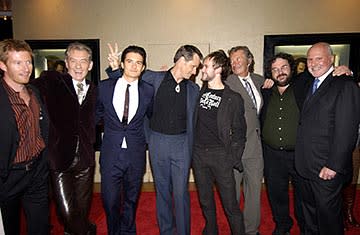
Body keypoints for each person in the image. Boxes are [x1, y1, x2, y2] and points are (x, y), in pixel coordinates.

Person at [107, 43, 203, 235]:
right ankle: (166, 231)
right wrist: (116, 67)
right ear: (181, 61)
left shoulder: (193, 89)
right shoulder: (152, 78)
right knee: (162, 191)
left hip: (182, 145)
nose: (195, 71)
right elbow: (126, 79)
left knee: (181, 193)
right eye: (193, 66)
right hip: (157, 142)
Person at [295, 42, 360, 235]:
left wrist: (333, 165)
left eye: (319, 58)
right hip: (305, 165)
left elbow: (347, 131)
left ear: (331, 59)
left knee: (329, 219)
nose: (313, 63)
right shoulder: (307, 82)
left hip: (327, 168)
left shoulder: (345, 85)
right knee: (309, 216)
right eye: (309, 59)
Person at [32, 42, 97, 235]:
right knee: (66, 212)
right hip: (60, 160)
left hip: (85, 161)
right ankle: (89, 231)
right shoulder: (53, 82)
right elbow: (29, 85)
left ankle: (85, 229)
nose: (78, 66)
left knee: (82, 213)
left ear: (90, 65)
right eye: (73, 61)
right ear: (66, 63)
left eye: (83, 61)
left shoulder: (94, 89)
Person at [96, 45, 153, 235]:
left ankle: (128, 231)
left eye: (139, 63)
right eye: (130, 61)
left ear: (144, 67)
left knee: (131, 199)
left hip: (135, 154)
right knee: (110, 200)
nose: (134, 66)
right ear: (121, 64)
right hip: (111, 153)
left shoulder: (148, 91)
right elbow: (94, 116)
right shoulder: (104, 87)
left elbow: (152, 116)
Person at [192, 50, 247, 235]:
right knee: (205, 200)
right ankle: (211, 230)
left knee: (230, 204)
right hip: (198, 155)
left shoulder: (233, 98)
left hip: (220, 155)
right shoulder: (197, 93)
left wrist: (232, 157)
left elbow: (240, 132)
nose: (202, 69)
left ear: (218, 69)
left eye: (206, 66)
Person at [0, 39, 49, 235]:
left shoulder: (34, 92)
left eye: (28, 62)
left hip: (37, 171)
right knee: (9, 228)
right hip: (8, 175)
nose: (26, 68)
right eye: (17, 63)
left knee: (40, 227)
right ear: (2, 65)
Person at [261, 53, 305, 235]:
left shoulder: (303, 87)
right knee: (276, 194)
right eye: (275, 69)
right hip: (272, 155)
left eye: (284, 67)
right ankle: (282, 225)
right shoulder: (266, 90)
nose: (280, 72)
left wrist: (342, 70)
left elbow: (324, 77)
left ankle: (306, 227)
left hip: (299, 154)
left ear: (291, 68)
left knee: (303, 195)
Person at [226, 46, 264, 235]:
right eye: (232, 60)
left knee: (254, 192)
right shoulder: (226, 83)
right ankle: (236, 229)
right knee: (232, 193)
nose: (235, 63)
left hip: (256, 148)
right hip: (234, 148)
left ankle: (251, 230)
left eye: (239, 58)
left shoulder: (261, 81)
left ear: (249, 60)